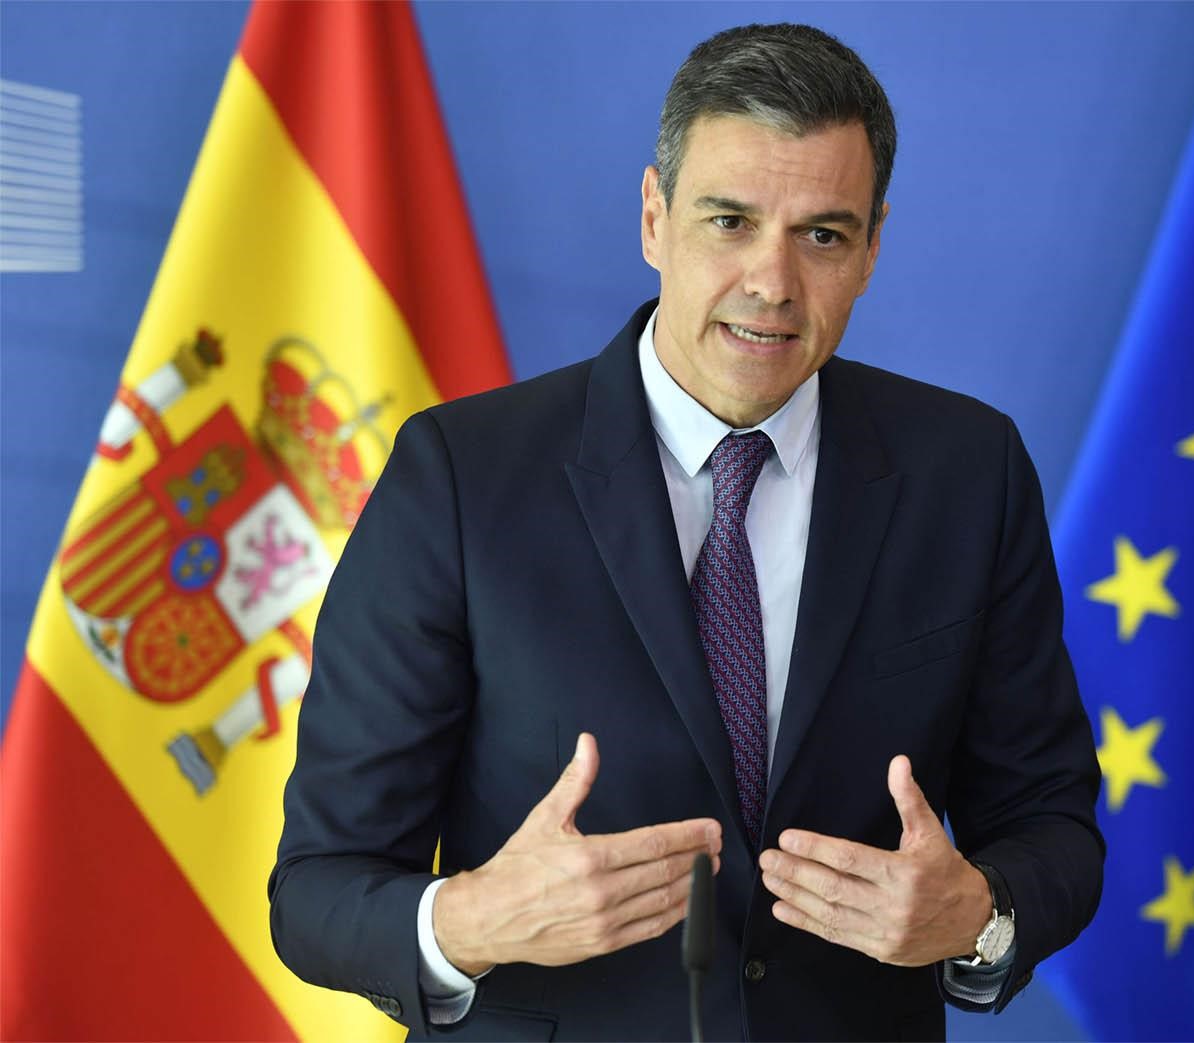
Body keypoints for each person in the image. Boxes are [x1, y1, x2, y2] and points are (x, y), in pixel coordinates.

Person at [270, 22, 1103, 1042]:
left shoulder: (969, 472)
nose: (772, 281)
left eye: (823, 235)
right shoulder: (459, 475)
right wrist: (475, 918)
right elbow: (317, 888)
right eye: (730, 221)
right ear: (655, 218)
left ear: (873, 248)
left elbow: (1053, 824)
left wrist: (977, 916)